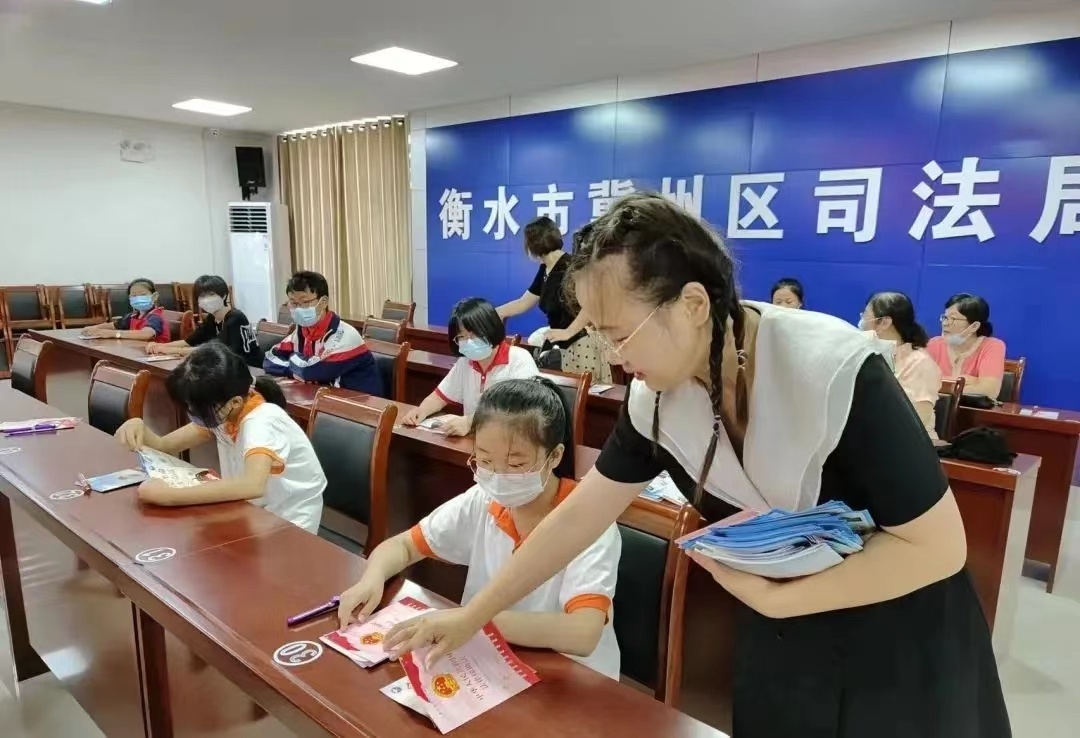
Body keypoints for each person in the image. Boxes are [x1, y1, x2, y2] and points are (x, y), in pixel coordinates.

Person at [381, 194, 1010, 738]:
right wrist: (473, 615)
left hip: (898, 632)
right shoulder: (657, 396)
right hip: (781, 627)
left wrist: (784, 601)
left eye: (621, 334)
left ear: (692, 304)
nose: (616, 358)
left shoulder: (835, 370)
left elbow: (938, 548)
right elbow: (578, 517)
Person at [338, 377, 620, 679]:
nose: (498, 477)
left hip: (568, 676)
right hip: (486, 659)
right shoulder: (484, 500)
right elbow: (403, 546)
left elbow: (583, 632)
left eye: (516, 465)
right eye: (485, 461)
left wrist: (471, 620)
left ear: (555, 457)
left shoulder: (590, 521)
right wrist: (371, 578)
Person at [114, 342, 326, 533]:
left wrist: (169, 496)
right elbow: (165, 445)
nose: (194, 414)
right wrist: (138, 425)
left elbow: (252, 485)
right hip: (253, 512)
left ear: (234, 402)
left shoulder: (262, 421)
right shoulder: (225, 412)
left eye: (200, 410)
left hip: (289, 524)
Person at [496, 217, 612, 382]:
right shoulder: (545, 268)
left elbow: (591, 303)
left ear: (532, 244)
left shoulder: (571, 266)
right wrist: (495, 312)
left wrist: (568, 331)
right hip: (562, 345)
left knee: (582, 393)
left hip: (581, 344)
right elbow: (524, 302)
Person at [402, 297, 539, 436]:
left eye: (474, 335)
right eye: (461, 337)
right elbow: (440, 396)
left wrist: (470, 422)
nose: (468, 342)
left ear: (491, 329)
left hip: (510, 441)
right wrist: (422, 410)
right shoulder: (465, 362)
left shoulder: (519, 359)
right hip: (474, 440)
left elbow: (522, 411)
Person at [263, 271, 384, 396]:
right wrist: (293, 370)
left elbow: (310, 371)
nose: (298, 309)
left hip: (360, 403)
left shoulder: (345, 335)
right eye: (293, 303)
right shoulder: (301, 331)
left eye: (305, 302)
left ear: (323, 302)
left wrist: (293, 358)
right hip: (326, 398)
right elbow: (269, 359)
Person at [860, 292, 942, 440]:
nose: (861, 322)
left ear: (885, 322)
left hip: (911, 443)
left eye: (865, 316)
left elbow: (916, 421)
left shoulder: (920, 363)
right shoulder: (869, 356)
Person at [145, 274, 263, 366]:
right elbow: (189, 342)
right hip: (226, 366)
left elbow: (213, 350)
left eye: (211, 294)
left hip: (250, 368)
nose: (206, 300)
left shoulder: (236, 318)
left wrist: (168, 350)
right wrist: (160, 346)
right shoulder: (212, 317)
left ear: (224, 295)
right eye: (202, 296)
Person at [926, 294, 1007, 399]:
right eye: (945, 317)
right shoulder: (933, 344)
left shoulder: (993, 346)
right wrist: (968, 382)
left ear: (974, 326)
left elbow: (989, 392)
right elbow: (916, 383)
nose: (945, 323)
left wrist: (940, 383)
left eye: (953, 318)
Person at [82, 278, 171, 343]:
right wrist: (94, 328)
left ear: (154, 296)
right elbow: (114, 325)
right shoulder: (133, 316)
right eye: (134, 295)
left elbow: (146, 334)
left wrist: (113, 334)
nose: (138, 298)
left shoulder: (155, 316)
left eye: (143, 294)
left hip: (156, 355)